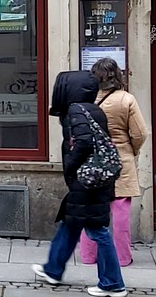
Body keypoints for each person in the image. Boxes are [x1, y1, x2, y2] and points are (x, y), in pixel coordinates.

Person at [33, 70, 126, 297]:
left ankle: (113, 283)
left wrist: (70, 167)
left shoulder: (76, 110)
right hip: (95, 180)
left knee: (97, 231)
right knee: (70, 223)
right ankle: (53, 269)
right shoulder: (94, 110)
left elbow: (83, 143)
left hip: (87, 182)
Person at [79, 58, 149, 267]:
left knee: (90, 209)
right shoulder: (126, 99)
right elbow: (140, 133)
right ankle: (122, 257)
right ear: (117, 75)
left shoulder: (85, 100)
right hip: (120, 161)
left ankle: (88, 255)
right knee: (120, 211)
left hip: (92, 160)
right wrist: (132, 150)